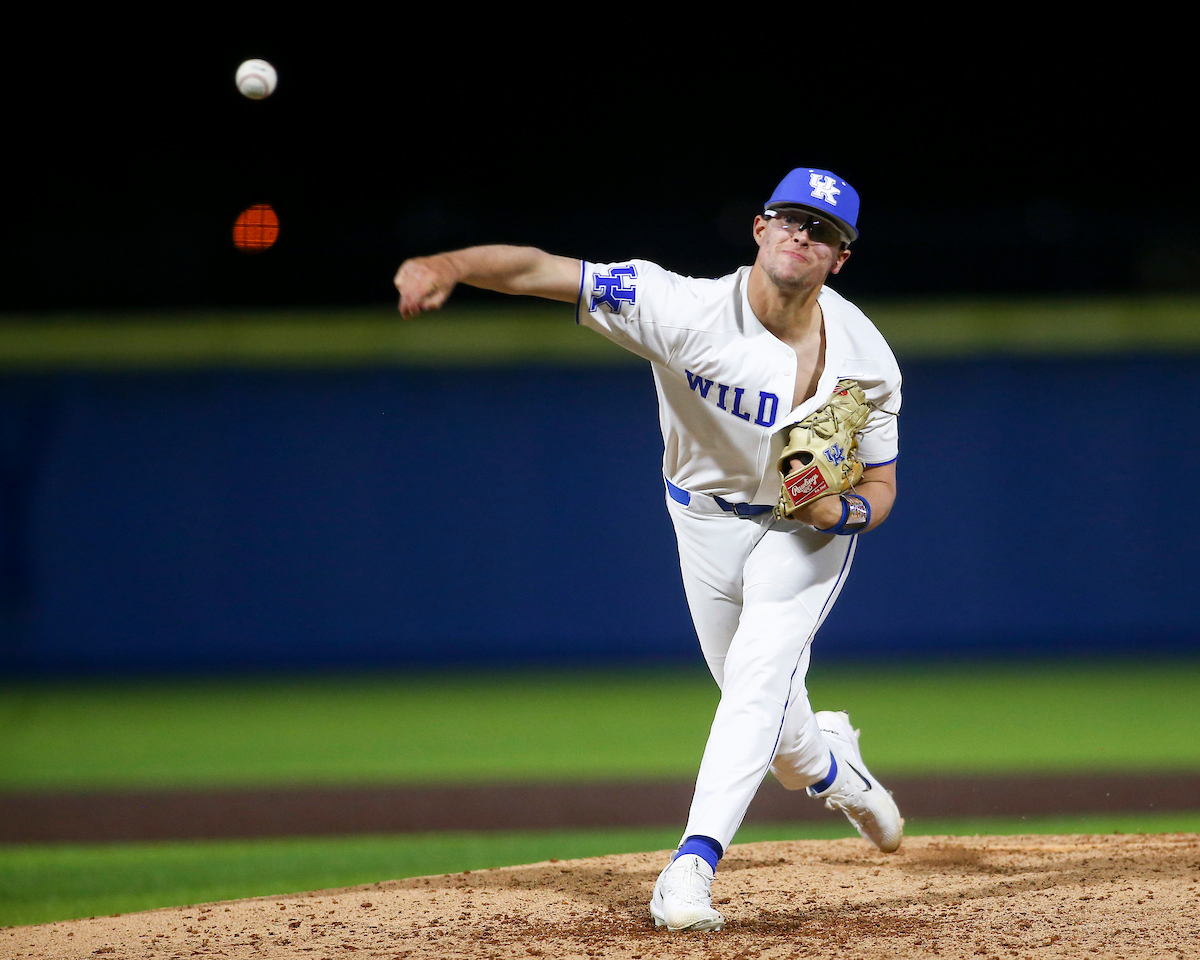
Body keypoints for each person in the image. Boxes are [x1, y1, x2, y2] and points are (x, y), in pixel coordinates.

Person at [394, 167, 904, 932]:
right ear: (761, 228)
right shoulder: (682, 309)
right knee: (780, 741)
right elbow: (542, 270)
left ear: (840, 259)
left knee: (760, 677)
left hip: (802, 535)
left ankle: (691, 867)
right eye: (793, 220)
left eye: (824, 231)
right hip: (701, 519)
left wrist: (846, 509)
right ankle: (834, 763)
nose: (805, 236)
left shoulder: (865, 361)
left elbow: (884, 483)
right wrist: (448, 266)